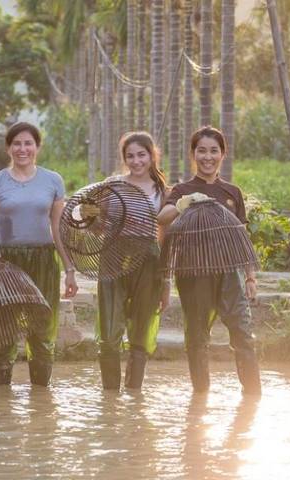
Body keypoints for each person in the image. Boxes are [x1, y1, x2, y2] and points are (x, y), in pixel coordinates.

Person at [157, 125, 261, 395]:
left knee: (243, 333)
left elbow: (242, 237)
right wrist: (183, 203)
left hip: (229, 272)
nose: (207, 156)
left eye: (214, 150)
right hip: (193, 273)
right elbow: (163, 218)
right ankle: (200, 397)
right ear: (193, 154)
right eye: (201, 150)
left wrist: (250, 276)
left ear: (222, 154)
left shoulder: (232, 192)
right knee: (196, 337)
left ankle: (252, 395)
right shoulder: (182, 189)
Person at [0, 121, 79, 387]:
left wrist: (69, 269)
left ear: (37, 147)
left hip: (43, 261)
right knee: (2, 335)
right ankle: (1, 404)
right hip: (4, 263)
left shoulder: (52, 180)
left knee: (42, 336)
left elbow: (58, 227)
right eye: (17, 143)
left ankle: (41, 401)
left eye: (28, 143)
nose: (23, 149)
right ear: (8, 148)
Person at [93, 132, 167, 390]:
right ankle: (110, 397)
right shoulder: (111, 186)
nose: (136, 161)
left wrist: (166, 282)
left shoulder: (161, 191)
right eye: (130, 156)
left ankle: (134, 392)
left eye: (141, 155)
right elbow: (96, 227)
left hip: (148, 261)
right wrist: (90, 216)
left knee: (141, 328)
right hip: (113, 257)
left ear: (151, 155)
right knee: (110, 329)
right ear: (124, 158)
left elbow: (163, 238)